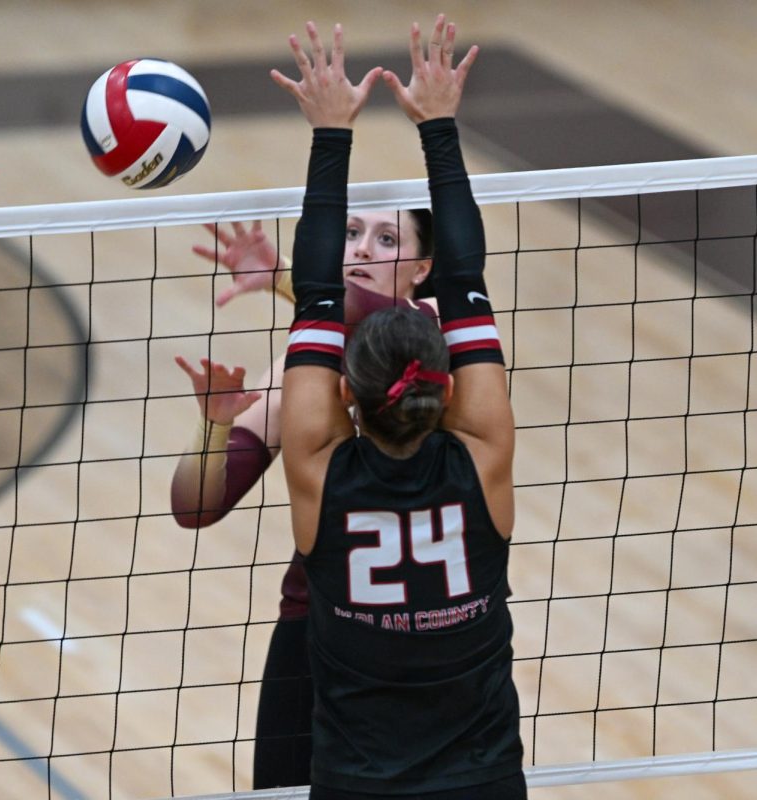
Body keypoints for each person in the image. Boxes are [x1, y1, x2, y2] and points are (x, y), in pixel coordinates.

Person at [274, 16, 525, 799]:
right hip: (482, 782)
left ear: (344, 394)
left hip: (358, 785)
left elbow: (315, 290)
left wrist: (330, 135)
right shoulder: (482, 455)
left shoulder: (321, 472)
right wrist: (441, 127)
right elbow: (465, 276)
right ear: (446, 387)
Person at [171, 108, 437, 795]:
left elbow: (375, 319)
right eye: (349, 234)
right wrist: (214, 427)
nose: (362, 249)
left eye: (387, 238)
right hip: (315, 629)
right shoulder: (299, 370)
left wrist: (292, 277)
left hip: (428, 632)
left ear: (424, 268)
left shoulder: (435, 338)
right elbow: (194, 508)